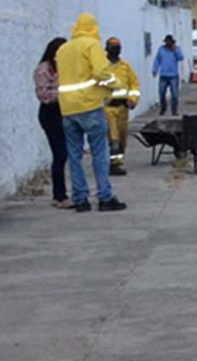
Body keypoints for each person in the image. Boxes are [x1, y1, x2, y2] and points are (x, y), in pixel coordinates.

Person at [56, 13, 125, 212]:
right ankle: (105, 197)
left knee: (74, 154)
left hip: (68, 108)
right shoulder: (91, 45)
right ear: (93, 28)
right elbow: (100, 72)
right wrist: (116, 84)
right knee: (99, 152)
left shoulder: (63, 49)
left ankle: (80, 199)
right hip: (90, 105)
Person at [34, 37, 72, 208]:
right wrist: (63, 92)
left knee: (66, 153)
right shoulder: (44, 70)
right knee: (60, 153)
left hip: (64, 112)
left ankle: (62, 193)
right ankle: (59, 195)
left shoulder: (64, 67)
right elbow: (44, 96)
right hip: (51, 113)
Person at [103, 37, 142, 175]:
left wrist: (132, 99)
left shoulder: (125, 67)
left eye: (117, 47)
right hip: (108, 108)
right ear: (107, 49)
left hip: (123, 108)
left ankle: (118, 160)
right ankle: (114, 164)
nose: (115, 50)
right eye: (113, 47)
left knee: (121, 137)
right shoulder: (102, 66)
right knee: (113, 137)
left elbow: (134, 84)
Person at [152, 34, 183, 115]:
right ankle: (163, 108)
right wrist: (155, 70)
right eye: (167, 42)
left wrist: (174, 49)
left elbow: (181, 57)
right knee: (161, 94)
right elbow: (157, 60)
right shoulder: (161, 49)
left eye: (169, 42)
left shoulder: (176, 49)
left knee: (175, 95)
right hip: (163, 76)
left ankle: (174, 110)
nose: (168, 43)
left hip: (173, 76)